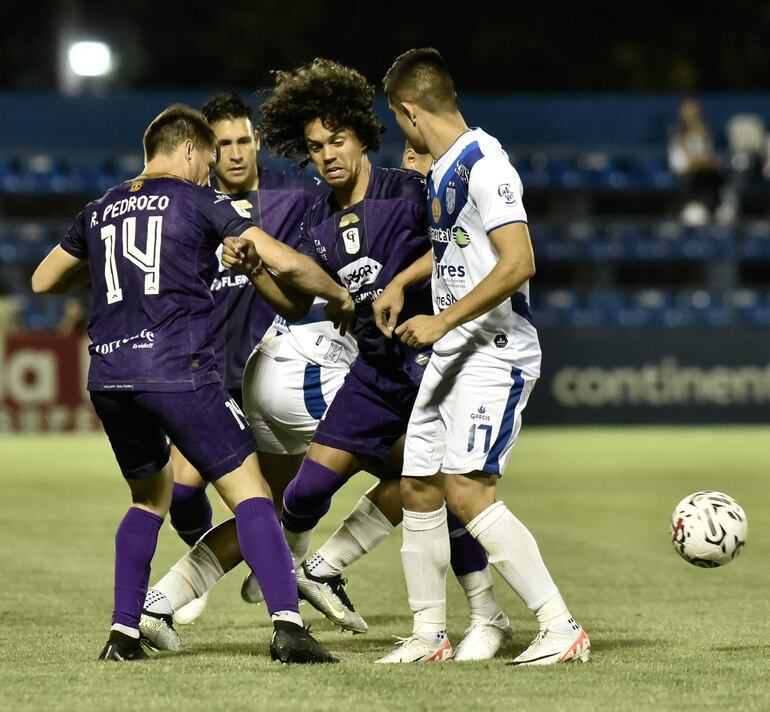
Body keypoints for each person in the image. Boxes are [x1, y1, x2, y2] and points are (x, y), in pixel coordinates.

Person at [140, 62, 511, 662]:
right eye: (315, 147)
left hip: (426, 367)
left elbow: (455, 250)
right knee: (301, 496)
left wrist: (399, 282)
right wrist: (258, 269)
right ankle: (284, 574)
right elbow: (293, 299)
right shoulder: (316, 214)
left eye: (337, 141)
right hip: (370, 374)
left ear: (364, 137)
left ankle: (484, 613)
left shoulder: (408, 191)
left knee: (431, 483)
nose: (327, 155)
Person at [31, 103, 349, 663]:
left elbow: (43, 279)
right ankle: (288, 627)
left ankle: (124, 633)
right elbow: (285, 262)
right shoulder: (201, 199)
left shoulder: (101, 207)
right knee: (252, 493)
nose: (209, 169)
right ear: (186, 151)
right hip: (179, 368)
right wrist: (340, 294)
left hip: (108, 374)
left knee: (147, 498)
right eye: (206, 158)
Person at [373, 48, 589, 665]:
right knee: (418, 483)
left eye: (396, 119)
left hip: (493, 353)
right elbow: (454, 247)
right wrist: (401, 283)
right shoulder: (446, 167)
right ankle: (428, 634)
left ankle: (559, 625)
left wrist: (440, 318)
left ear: (410, 112)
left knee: (467, 490)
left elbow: (519, 261)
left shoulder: (486, 166)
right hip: (453, 356)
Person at [165, 92, 326, 625]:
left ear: (256, 141)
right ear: (208, 150)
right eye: (223, 144)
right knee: (183, 495)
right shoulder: (191, 206)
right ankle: (211, 565)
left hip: (272, 379)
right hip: (210, 376)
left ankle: (280, 561)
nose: (234, 153)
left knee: (276, 497)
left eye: (243, 141)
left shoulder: (295, 200)